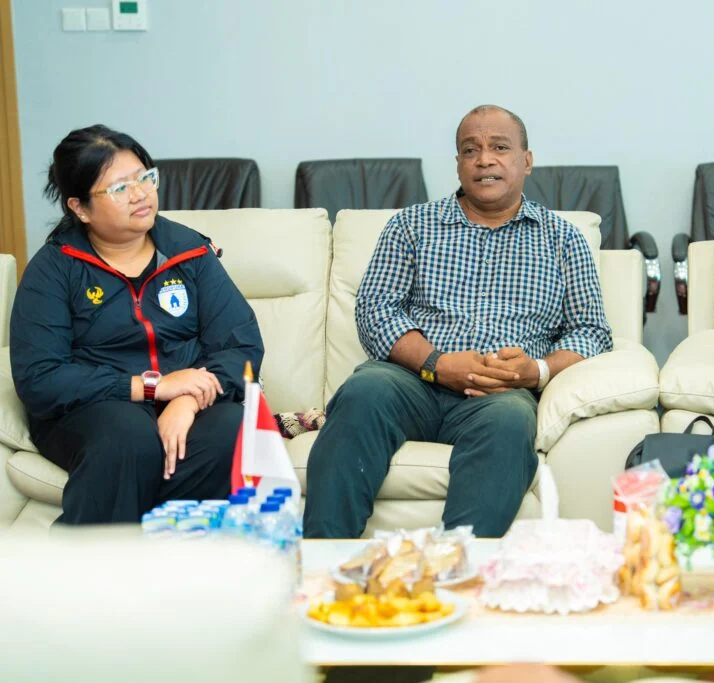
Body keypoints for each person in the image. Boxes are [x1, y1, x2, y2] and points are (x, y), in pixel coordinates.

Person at [304, 105, 613, 538]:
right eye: (471, 150)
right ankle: (323, 556)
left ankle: (458, 563)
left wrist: (536, 372)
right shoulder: (411, 226)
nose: (484, 160)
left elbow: (591, 331)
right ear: (458, 164)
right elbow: (376, 309)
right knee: (363, 391)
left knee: (511, 421)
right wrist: (437, 363)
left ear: (526, 161)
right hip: (411, 381)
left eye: (499, 148)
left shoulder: (563, 240)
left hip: (499, 394)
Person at [11, 125, 264, 524]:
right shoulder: (54, 268)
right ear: (80, 208)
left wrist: (185, 399)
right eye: (119, 188)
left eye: (145, 178)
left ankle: (160, 545)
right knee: (129, 438)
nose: (140, 193)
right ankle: (100, 555)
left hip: (185, 399)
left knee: (231, 429)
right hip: (93, 410)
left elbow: (241, 345)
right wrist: (153, 387)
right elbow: (41, 377)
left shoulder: (189, 252)